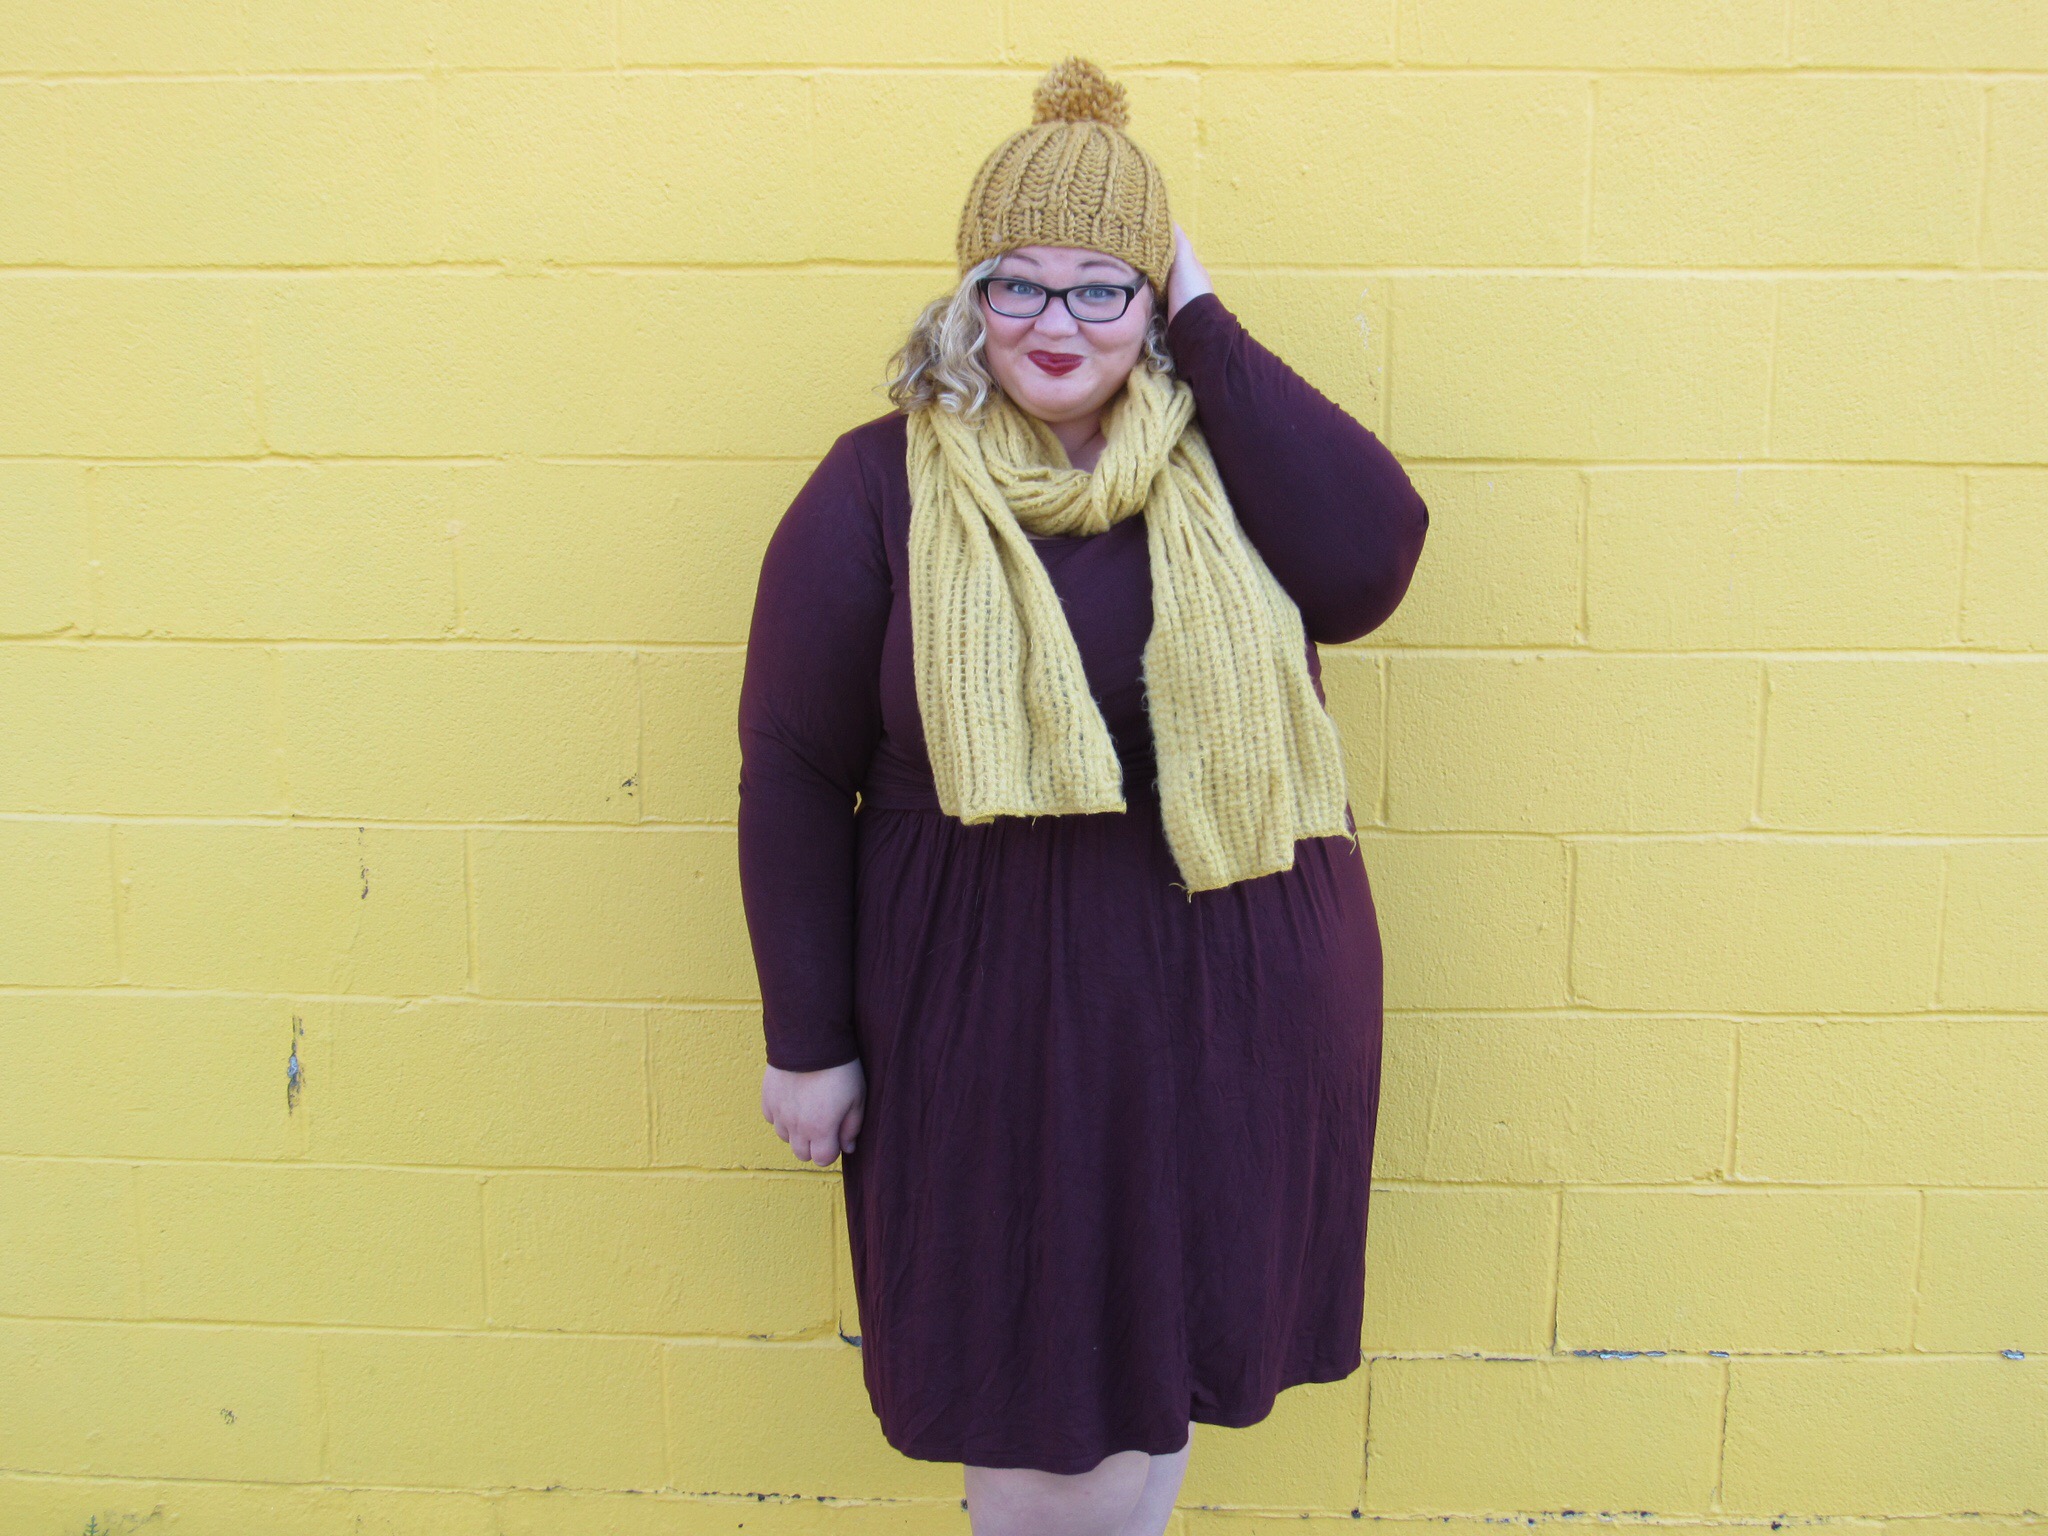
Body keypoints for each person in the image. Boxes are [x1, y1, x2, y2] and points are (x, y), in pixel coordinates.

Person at [736, 56, 1429, 1536]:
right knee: (1034, 1403)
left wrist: (1207, 321)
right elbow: (792, 770)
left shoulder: (1230, 467)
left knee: (1161, 1385)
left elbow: (1370, 562)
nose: (1057, 326)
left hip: (1234, 1005)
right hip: (992, 1028)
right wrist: (808, 1038)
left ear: (1153, 301)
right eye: (1019, 285)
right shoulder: (878, 487)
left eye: (1102, 287)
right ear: (967, 300)